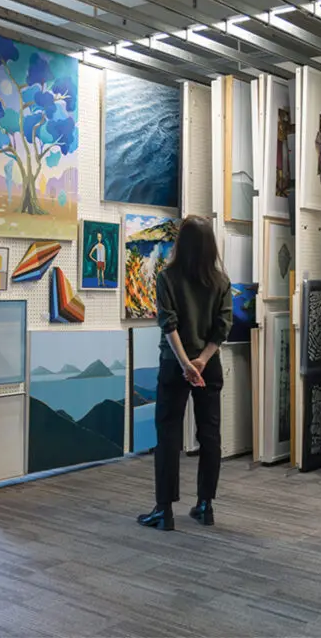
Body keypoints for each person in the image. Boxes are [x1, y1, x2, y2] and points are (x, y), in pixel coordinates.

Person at [137, 216, 232, 531]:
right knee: (209, 434)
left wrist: (185, 364)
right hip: (209, 366)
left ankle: (163, 510)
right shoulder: (221, 281)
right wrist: (202, 360)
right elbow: (223, 327)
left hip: (174, 366)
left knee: (168, 435)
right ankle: (205, 505)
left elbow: (169, 323)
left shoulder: (167, 278)